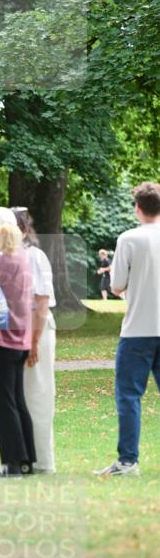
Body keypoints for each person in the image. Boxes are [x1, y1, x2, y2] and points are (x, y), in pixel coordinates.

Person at [95, 182, 160, 477]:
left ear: (137, 207)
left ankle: (128, 461)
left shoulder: (129, 239)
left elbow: (116, 284)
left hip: (138, 329)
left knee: (129, 395)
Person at [0, 209, 35, 477]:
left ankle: (11, 462)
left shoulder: (3, 261)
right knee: (18, 399)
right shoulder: (24, 258)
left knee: (4, 404)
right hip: (21, 338)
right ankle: (26, 460)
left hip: (2, 340)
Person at [11, 207, 56, 474]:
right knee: (20, 399)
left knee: (37, 396)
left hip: (34, 331)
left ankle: (42, 462)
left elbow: (41, 302)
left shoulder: (34, 257)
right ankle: (25, 458)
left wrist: (34, 342)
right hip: (16, 333)